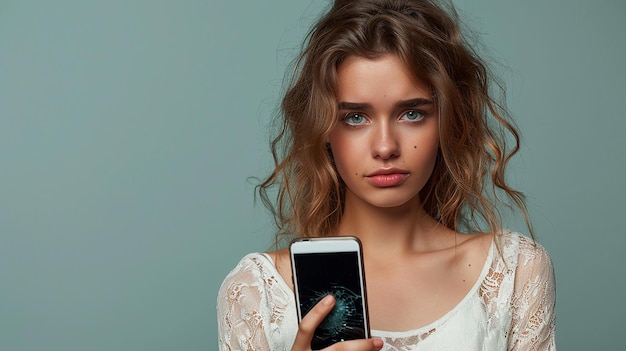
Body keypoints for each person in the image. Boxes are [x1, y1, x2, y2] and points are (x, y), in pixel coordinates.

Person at [217, 0, 556, 349]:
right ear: (323, 130)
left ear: (447, 121)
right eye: (355, 117)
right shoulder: (257, 292)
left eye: (411, 114)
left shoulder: (514, 271)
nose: (385, 146)